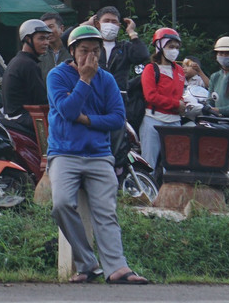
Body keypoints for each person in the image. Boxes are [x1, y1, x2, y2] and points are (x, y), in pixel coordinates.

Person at [47, 24, 149, 285]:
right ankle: (88, 264)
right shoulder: (57, 76)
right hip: (64, 153)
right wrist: (84, 80)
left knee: (106, 211)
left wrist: (88, 119)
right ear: (72, 51)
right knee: (61, 204)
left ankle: (117, 267)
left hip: (99, 154)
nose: (90, 56)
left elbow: (117, 118)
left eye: (96, 50)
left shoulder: (107, 79)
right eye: (84, 50)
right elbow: (68, 111)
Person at [138, 27, 185, 167]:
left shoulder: (180, 70)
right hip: (153, 121)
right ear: (160, 46)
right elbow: (151, 96)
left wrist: (184, 104)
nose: (174, 51)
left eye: (177, 47)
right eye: (170, 46)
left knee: (174, 165)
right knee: (149, 164)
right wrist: (176, 104)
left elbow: (179, 95)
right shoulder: (151, 69)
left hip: (175, 122)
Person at [1, 19, 51, 121]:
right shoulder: (28, 64)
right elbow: (41, 100)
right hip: (23, 118)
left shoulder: (19, 60)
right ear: (28, 39)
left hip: (13, 117)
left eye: (47, 38)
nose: (46, 43)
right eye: (41, 38)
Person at [39, 11, 68, 75]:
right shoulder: (41, 55)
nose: (48, 31)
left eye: (50, 27)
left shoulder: (71, 51)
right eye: (45, 28)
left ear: (61, 28)